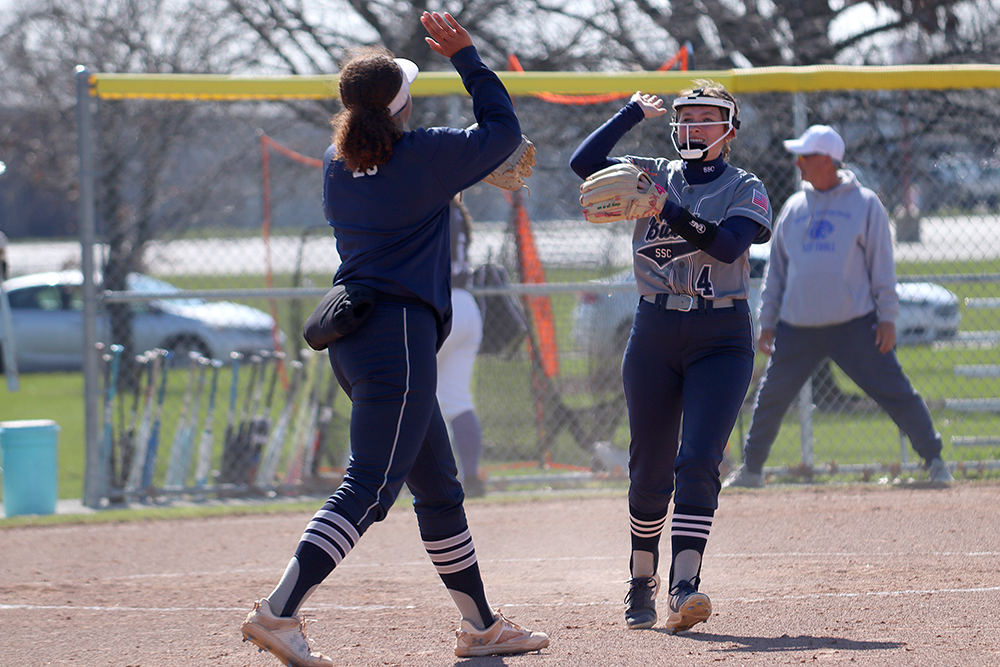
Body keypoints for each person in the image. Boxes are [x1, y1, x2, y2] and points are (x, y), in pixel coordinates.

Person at [240, 13, 549, 666]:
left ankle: (481, 626)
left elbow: (396, 160)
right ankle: (279, 610)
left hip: (357, 337)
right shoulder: (424, 155)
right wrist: (468, 58)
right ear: (403, 105)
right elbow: (504, 133)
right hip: (399, 339)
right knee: (369, 488)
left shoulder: (334, 164)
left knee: (436, 485)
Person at [570, 80, 773, 633]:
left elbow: (729, 246)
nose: (694, 127)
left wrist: (666, 206)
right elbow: (582, 162)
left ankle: (685, 587)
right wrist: (629, 113)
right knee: (649, 468)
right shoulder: (654, 169)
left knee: (699, 458)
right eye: (687, 118)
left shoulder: (745, 185)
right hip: (655, 328)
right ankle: (641, 580)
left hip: (720, 335)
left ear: (729, 131)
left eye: (708, 119)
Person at [724, 125, 954, 489]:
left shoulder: (864, 204)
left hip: (854, 326)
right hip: (796, 328)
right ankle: (752, 470)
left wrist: (888, 318)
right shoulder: (794, 207)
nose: (798, 163)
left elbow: (882, 267)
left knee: (895, 391)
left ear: (828, 161)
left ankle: (936, 461)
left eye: (806, 156)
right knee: (771, 397)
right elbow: (777, 273)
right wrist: (766, 322)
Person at [437, 195, 487, 497]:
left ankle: (379, 478)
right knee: (457, 401)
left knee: (396, 392)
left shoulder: (431, 207)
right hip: (466, 306)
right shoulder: (456, 210)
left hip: (439, 307)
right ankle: (472, 478)